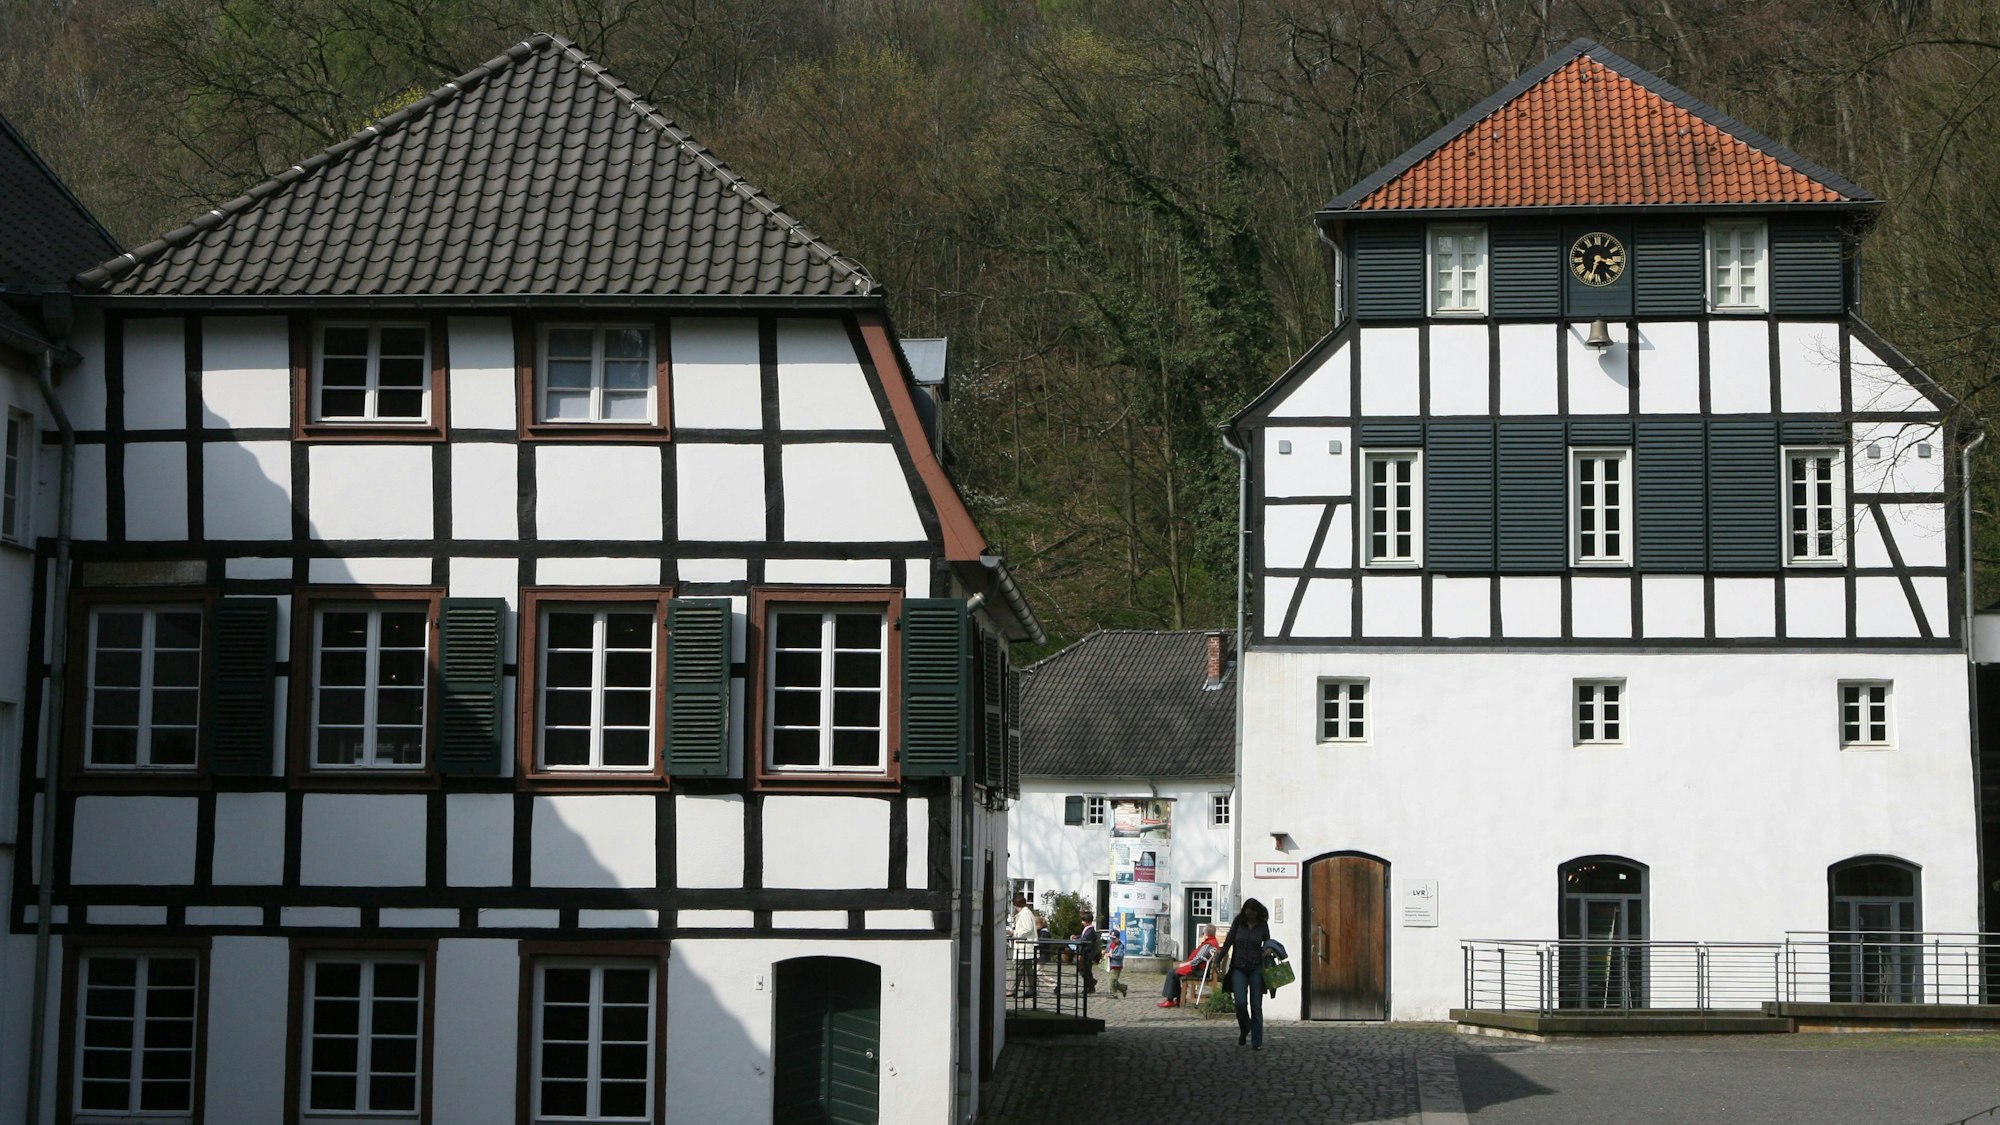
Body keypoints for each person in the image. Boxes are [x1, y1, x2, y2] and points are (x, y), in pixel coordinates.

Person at [1219, 898, 1272, 1048]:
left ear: (1258, 912)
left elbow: (1268, 942)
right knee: (1240, 1003)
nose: (1250, 915)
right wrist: (1218, 960)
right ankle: (1245, 1028)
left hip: (1256, 968)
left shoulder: (1262, 925)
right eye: (1248, 912)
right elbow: (1229, 941)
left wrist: (1268, 949)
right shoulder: (1238, 922)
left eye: (1253, 912)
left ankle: (1257, 1042)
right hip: (1239, 967)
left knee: (1256, 1006)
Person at [1157, 924, 1221, 1007]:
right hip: (1205, 969)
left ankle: (1170, 1000)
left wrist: (1186, 964)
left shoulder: (1208, 945)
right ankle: (1178, 999)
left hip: (1200, 971)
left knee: (1172, 973)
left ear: (1205, 933)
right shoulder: (1214, 942)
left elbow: (1199, 958)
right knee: (1175, 973)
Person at [1007, 894, 1038, 998]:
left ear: (1016, 905)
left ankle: (1012, 989)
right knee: (1028, 970)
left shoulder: (1024, 914)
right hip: (1027, 946)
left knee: (1018, 968)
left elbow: (1027, 928)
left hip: (1024, 946)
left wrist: (1014, 933)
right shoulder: (1026, 913)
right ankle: (1030, 989)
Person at [1073, 909, 1100, 993]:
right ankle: (1091, 984)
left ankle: (1090, 985)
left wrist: (1076, 941)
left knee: (1085, 970)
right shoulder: (1087, 929)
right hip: (1084, 953)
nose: (1082, 922)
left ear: (1087, 921)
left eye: (1083, 921)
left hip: (1087, 953)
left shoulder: (1090, 930)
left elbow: (1084, 940)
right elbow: (1083, 936)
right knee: (1084, 969)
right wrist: (1076, 937)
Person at [1105, 926, 1128, 997]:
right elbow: (1108, 950)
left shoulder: (1120, 946)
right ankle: (1123, 988)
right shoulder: (1110, 944)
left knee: (1111, 980)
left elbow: (1120, 955)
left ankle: (1112, 994)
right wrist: (1104, 952)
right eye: (1111, 938)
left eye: (1114, 939)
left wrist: (1111, 955)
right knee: (1113, 980)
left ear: (1118, 938)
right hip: (1110, 965)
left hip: (1116, 966)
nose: (1112, 940)